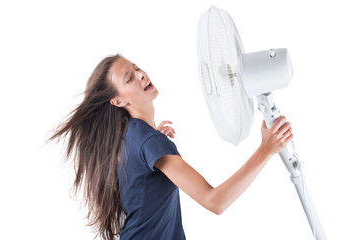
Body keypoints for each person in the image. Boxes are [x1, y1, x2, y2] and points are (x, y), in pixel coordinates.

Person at [48, 54, 293, 240]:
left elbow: (138, 167)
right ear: (118, 100)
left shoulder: (132, 137)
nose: (141, 74)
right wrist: (265, 150)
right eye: (129, 78)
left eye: (136, 68)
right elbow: (214, 201)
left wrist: (153, 144)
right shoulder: (148, 142)